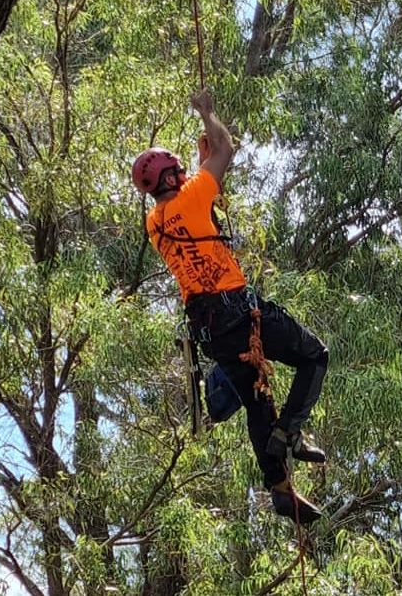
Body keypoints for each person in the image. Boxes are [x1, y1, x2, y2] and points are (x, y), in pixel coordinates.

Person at [131, 90, 329, 523]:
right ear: (169, 178)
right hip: (239, 310)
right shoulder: (193, 195)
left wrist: (201, 166)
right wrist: (205, 113)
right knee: (315, 355)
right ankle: (290, 432)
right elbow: (225, 149)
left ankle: (280, 489)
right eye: (178, 171)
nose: (184, 175)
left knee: (259, 402)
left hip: (210, 330)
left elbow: (196, 196)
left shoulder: (154, 223)